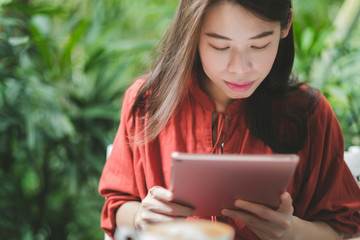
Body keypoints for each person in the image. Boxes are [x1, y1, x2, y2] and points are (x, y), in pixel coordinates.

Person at [98, 0, 360, 239]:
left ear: (285, 26)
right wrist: (141, 217)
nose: (240, 68)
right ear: (193, 32)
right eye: (220, 46)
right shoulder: (146, 103)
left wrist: (290, 230)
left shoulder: (309, 113)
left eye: (259, 45)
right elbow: (117, 205)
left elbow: (343, 228)